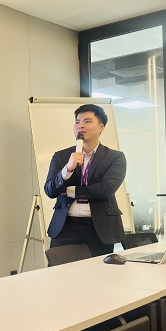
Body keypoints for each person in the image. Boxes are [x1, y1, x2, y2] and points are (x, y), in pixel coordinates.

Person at [44, 104, 126, 256]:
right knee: (59, 270)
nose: (80, 125)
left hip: (99, 228)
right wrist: (68, 168)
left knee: (98, 270)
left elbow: (106, 189)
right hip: (65, 227)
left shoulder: (115, 157)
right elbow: (50, 190)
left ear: (101, 127)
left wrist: (70, 191)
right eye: (77, 122)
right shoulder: (61, 156)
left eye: (87, 121)